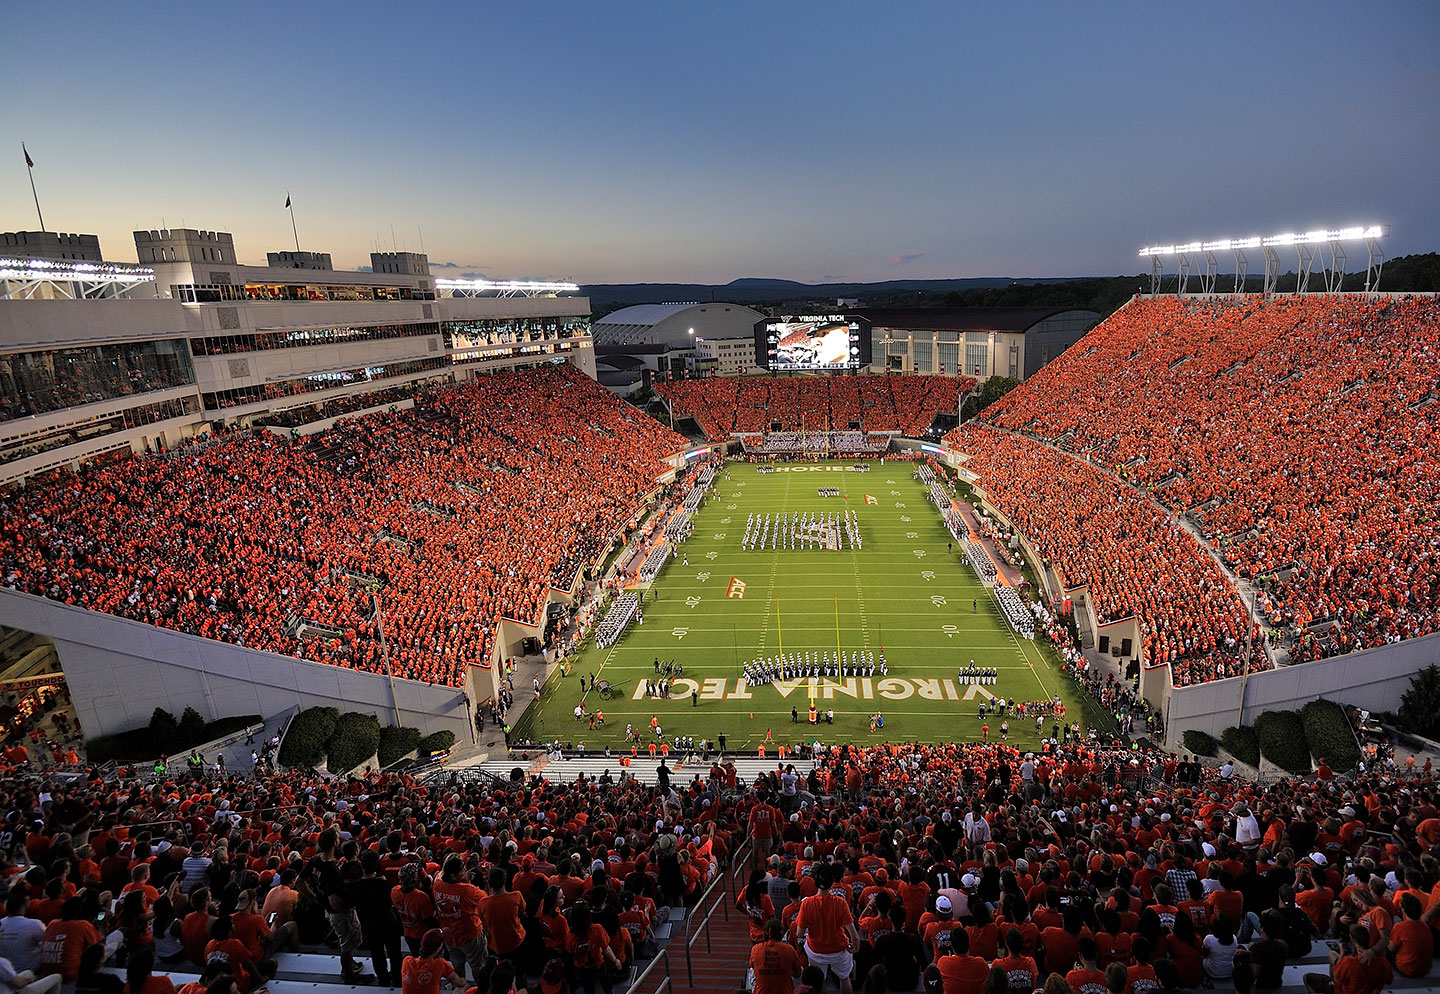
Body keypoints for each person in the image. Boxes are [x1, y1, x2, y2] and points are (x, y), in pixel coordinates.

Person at [1303, 924, 1390, 994]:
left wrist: (1341, 956)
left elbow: (1336, 979)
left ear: (1353, 940)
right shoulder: (1383, 961)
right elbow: (1388, 980)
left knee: (1307, 978)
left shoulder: (1348, 962)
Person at [751, 919, 802, 994]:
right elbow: (798, 973)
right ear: (781, 934)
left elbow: (753, 967)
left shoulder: (755, 949)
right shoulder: (789, 949)